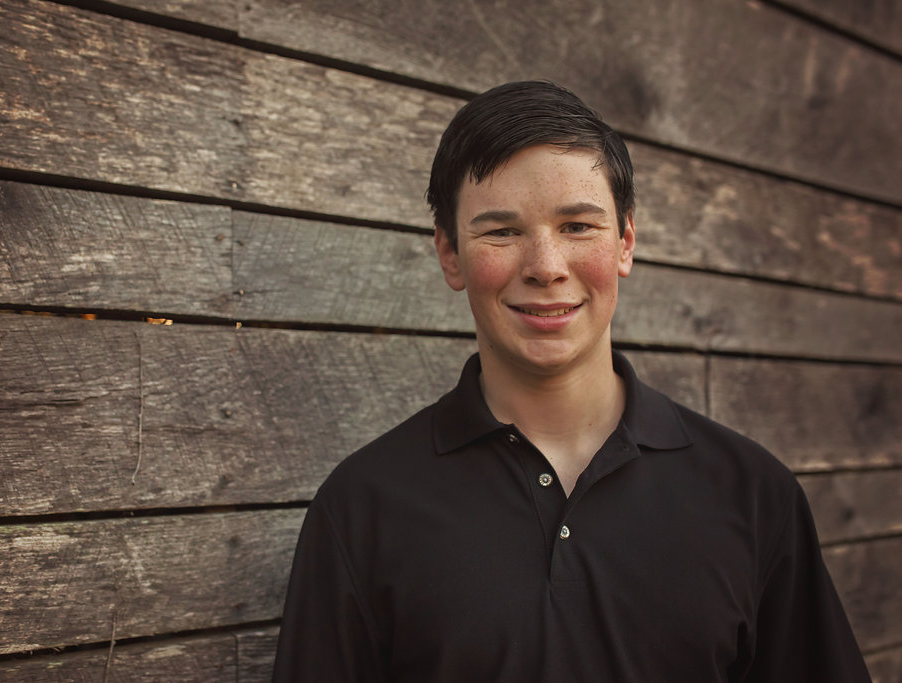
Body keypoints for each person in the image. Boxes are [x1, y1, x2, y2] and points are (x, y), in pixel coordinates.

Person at [272, 80, 870, 682]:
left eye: (578, 226)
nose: (546, 268)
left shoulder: (755, 495)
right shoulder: (361, 508)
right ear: (450, 254)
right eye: (501, 232)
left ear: (625, 243)